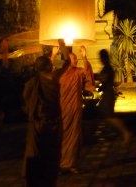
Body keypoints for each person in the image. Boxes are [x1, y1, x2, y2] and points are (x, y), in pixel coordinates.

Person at [22, 40, 69, 187]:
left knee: (37, 152)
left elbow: (26, 98)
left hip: (38, 123)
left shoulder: (33, 82)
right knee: (52, 153)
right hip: (53, 123)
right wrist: (62, 45)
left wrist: (31, 108)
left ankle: (36, 178)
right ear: (50, 67)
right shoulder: (54, 78)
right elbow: (67, 62)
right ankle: (49, 179)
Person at [54, 46, 95, 174]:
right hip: (62, 108)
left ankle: (71, 163)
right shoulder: (59, 73)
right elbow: (46, 74)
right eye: (73, 58)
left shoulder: (78, 71)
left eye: (76, 58)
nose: (76, 60)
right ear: (67, 60)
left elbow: (88, 74)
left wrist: (84, 57)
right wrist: (53, 55)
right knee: (62, 135)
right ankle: (61, 163)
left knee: (74, 135)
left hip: (74, 107)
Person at [97, 49, 132, 144]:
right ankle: (118, 132)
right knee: (107, 114)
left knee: (109, 116)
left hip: (108, 94)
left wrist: (99, 86)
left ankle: (125, 132)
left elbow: (104, 82)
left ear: (103, 58)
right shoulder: (108, 68)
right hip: (109, 93)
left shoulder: (106, 69)